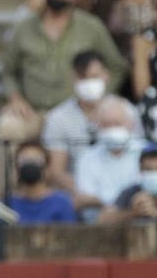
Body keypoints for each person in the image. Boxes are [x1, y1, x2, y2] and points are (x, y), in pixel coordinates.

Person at [0, 0, 127, 150]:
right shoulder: (24, 27)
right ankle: (8, 179)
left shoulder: (91, 27)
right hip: (34, 112)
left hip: (79, 113)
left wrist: (99, 96)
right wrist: (16, 99)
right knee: (7, 128)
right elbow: (8, 71)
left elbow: (117, 67)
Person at [42, 50, 141, 199]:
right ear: (73, 78)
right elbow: (56, 171)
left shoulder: (125, 109)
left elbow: (139, 153)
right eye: (83, 77)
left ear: (106, 76)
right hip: (79, 194)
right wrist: (90, 194)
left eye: (94, 76)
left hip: (127, 192)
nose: (89, 83)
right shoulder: (58, 118)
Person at [74, 94, 143, 215]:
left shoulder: (146, 152)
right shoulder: (87, 157)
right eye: (106, 125)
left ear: (130, 123)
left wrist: (101, 201)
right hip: (99, 226)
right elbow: (84, 199)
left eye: (117, 124)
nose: (112, 130)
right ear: (98, 126)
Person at [3, 140, 78, 224]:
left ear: (46, 168)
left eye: (36, 160)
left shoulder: (62, 203)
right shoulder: (6, 205)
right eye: (24, 160)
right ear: (17, 167)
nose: (30, 164)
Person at [98, 144, 157, 223]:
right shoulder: (131, 192)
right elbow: (103, 219)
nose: (153, 174)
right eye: (148, 170)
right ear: (140, 170)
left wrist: (154, 213)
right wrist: (133, 213)